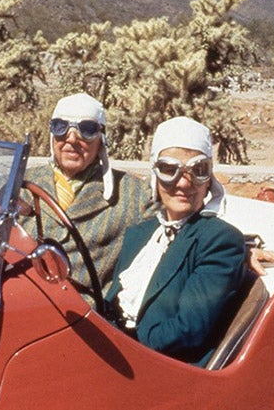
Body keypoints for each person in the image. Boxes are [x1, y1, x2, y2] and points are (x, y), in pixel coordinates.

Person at [105, 116, 246, 367]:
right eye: (169, 170)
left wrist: (123, 348)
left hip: (161, 368)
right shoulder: (140, 235)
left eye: (197, 171)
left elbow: (187, 330)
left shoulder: (219, 240)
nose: (183, 183)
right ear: (155, 175)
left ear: (209, 179)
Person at [20, 93, 157, 298]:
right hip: (20, 303)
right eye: (61, 127)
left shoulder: (133, 196)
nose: (72, 138)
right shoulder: (20, 185)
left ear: (102, 139)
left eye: (87, 129)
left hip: (82, 319)